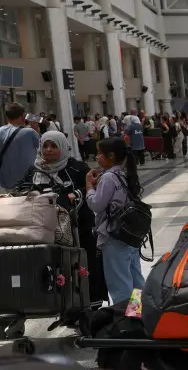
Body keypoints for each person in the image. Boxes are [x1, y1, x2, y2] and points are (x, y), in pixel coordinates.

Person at [16, 131, 107, 302]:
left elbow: (90, 188)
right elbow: (21, 188)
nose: (48, 150)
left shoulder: (77, 168)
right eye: (45, 146)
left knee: (86, 264)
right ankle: (65, 304)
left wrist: (75, 194)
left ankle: (96, 304)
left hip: (78, 227)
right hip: (49, 229)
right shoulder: (34, 170)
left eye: (54, 146)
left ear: (63, 147)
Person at [86, 137, 145, 306]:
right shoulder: (126, 173)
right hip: (131, 234)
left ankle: (124, 321)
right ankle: (137, 315)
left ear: (110, 156)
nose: (97, 157)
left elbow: (96, 205)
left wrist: (89, 187)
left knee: (119, 283)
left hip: (114, 235)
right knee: (135, 279)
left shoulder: (109, 177)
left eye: (99, 154)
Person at [0, 103, 41, 191]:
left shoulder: (0, 131)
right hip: (27, 183)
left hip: (4, 183)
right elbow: (43, 149)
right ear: (23, 116)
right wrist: (36, 128)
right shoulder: (30, 132)